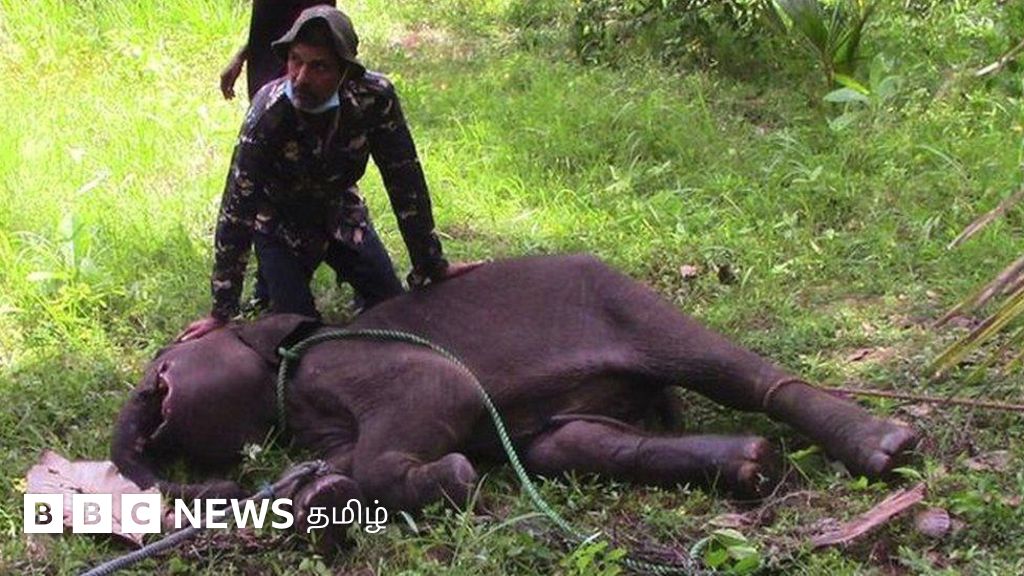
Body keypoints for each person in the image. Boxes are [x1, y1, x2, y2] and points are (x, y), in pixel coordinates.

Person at [179, 6, 478, 342]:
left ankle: (289, 283)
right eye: (295, 61)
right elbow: (238, 207)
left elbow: (404, 179)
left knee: (393, 313)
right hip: (278, 222)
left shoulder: (374, 99)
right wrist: (221, 311)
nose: (301, 78)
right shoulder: (268, 112)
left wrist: (430, 263)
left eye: (319, 66)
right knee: (298, 333)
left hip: (340, 211)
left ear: (345, 72)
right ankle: (270, 284)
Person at [220, 1, 335, 101]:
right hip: (264, 72)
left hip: (296, 78)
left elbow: (318, 25)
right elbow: (267, 21)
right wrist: (242, 55)